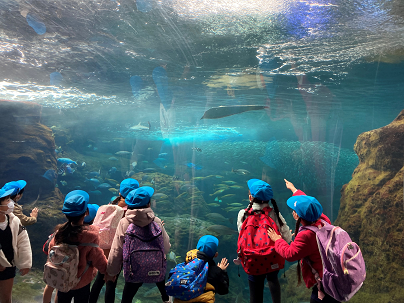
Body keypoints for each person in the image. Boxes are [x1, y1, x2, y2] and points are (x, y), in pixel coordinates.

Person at [267, 195, 339, 303]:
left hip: (323, 283)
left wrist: (277, 239)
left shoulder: (307, 235)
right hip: (334, 277)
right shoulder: (325, 222)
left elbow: (290, 254)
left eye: (295, 210)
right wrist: (294, 190)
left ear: (296, 215)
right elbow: (311, 207)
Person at [106, 186, 171, 303]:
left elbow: (117, 250)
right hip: (156, 269)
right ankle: (166, 299)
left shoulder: (124, 223)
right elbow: (166, 247)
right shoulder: (156, 221)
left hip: (133, 271)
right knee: (163, 289)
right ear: (149, 204)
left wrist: (112, 272)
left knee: (127, 298)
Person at [46, 190, 108, 303]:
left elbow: (52, 252)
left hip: (63, 278)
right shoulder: (90, 237)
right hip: (82, 281)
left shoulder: (59, 233)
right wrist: (106, 271)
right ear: (86, 213)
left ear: (65, 214)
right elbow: (98, 258)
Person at [236, 179, 292, 303]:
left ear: (250, 197)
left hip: (252, 260)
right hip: (272, 259)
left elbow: (242, 235)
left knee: (255, 292)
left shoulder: (242, 214)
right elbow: (287, 238)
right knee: (273, 279)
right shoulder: (274, 213)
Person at [89, 178, 139, 303]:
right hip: (118, 251)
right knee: (111, 282)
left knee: (100, 280)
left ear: (119, 192)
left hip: (103, 249)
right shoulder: (130, 211)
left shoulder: (111, 206)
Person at [171, 235, 229, 303]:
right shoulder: (215, 271)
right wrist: (222, 271)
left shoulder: (186, 265)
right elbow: (223, 290)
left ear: (196, 249)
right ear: (216, 254)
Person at [0, 188, 32, 303]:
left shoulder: (14, 220)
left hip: (9, 264)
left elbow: (23, 242)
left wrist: (25, 264)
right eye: (7, 200)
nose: (11, 203)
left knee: (6, 298)